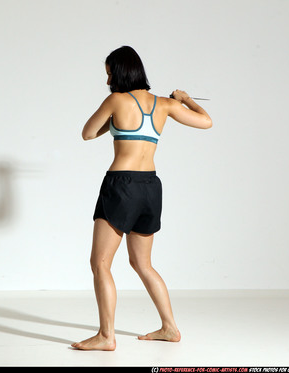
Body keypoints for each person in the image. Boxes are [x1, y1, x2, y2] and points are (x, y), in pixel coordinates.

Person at [72, 46, 212, 351]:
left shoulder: (116, 100)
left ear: (119, 72)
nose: (107, 78)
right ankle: (170, 328)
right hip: (151, 186)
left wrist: (112, 122)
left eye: (109, 71)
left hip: (121, 185)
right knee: (143, 263)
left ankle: (106, 336)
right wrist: (185, 99)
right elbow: (206, 122)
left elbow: (86, 133)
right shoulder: (163, 105)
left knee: (100, 262)